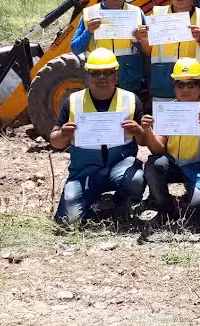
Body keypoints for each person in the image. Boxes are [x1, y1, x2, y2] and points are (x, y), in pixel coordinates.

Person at [50, 48, 146, 225]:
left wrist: (139, 131)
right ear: (87, 76)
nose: (101, 77)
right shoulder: (73, 101)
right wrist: (63, 134)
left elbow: (144, 141)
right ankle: (89, 201)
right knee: (67, 221)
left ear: (116, 75)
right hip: (84, 172)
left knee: (136, 180)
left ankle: (121, 203)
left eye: (107, 72)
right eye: (95, 73)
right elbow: (55, 141)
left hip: (120, 165)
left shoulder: (131, 100)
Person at [141, 57, 200, 226]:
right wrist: (148, 131)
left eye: (191, 84)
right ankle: (166, 210)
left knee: (199, 211)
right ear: (174, 86)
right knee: (153, 165)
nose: (185, 89)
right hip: (174, 164)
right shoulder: (168, 109)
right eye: (180, 84)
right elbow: (158, 149)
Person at [71, 0, 147, 93]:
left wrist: (137, 40)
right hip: (99, 78)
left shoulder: (136, 13)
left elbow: (147, 51)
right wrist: (88, 32)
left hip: (129, 78)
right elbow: (75, 49)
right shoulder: (89, 14)